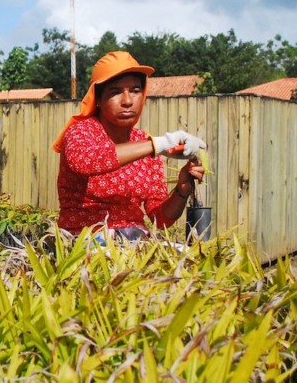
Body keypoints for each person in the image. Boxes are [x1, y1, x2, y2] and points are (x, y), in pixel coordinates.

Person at [53, 50, 206, 241]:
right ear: (98, 99)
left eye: (135, 91)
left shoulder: (146, 143)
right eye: (115, 92)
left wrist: (182, 191)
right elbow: (85, 162)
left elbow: (160, 219)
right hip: (83, 242)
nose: (127, 101)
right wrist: (158, 144)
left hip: (136, 246)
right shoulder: (81, 132)